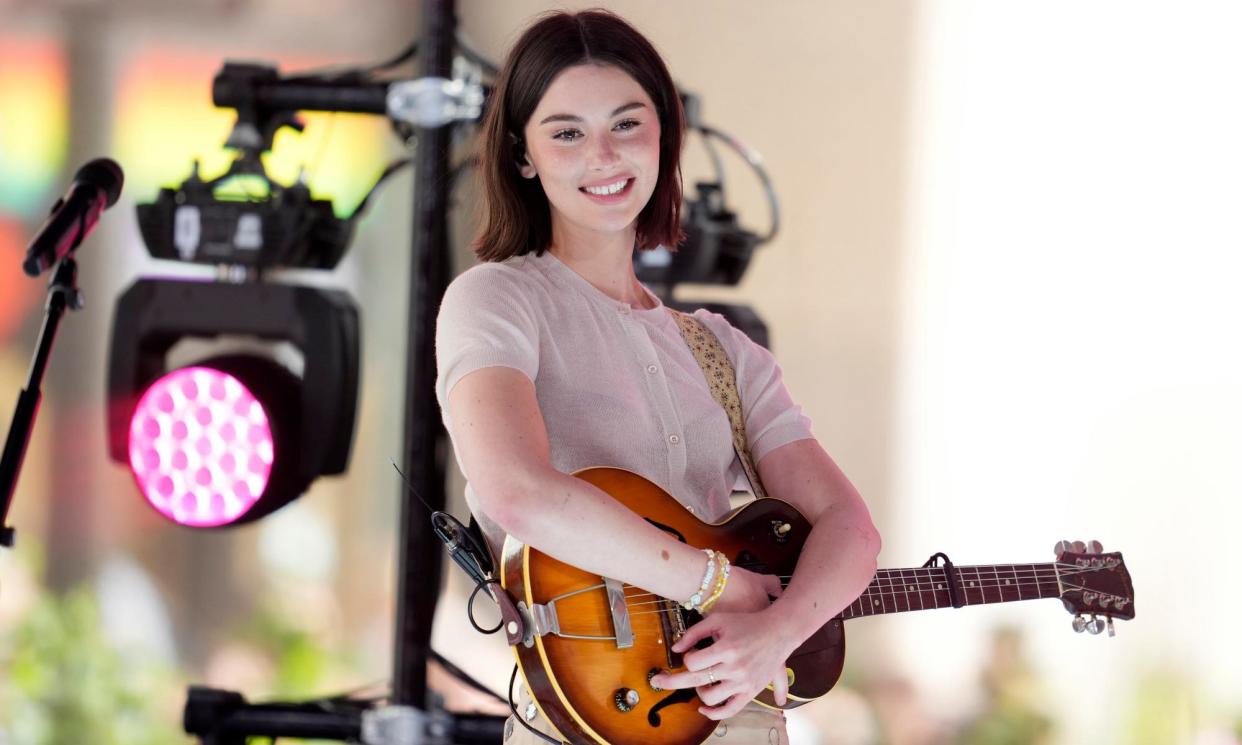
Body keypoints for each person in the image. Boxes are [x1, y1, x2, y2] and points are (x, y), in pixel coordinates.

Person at [435, 9, 881, 744]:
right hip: (580, 719)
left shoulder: (720, 346)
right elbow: (519, 491)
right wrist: (717, 583)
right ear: (523, 155)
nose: (603, 157)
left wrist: (771, 636)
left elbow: (853, 532)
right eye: (567, 132)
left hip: (737, 718)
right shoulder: (494, 299)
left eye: (626, 124)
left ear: (665, 138)